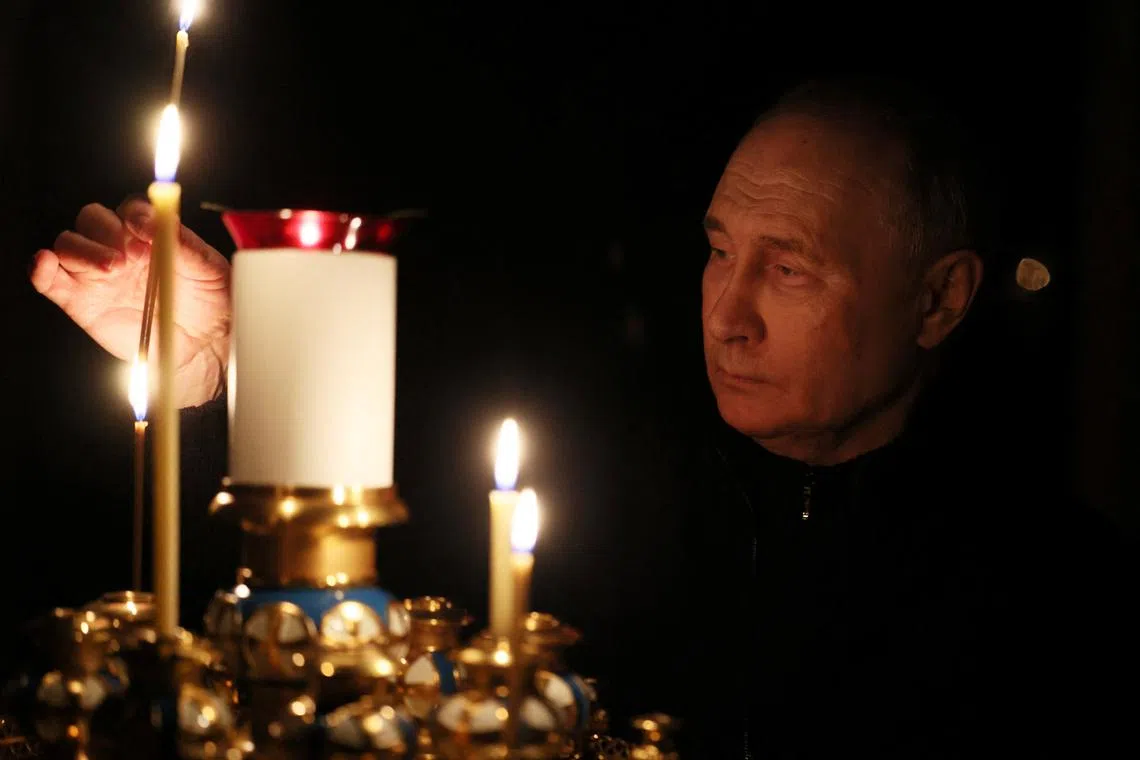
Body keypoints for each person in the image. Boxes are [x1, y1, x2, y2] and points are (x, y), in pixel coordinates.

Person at [30, 75, 1137, 758]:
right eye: (718, 253)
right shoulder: (582, 496)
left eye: (790, 270)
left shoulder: (1058, 608)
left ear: (939, 300)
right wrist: (238, 356)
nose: (727, 316)